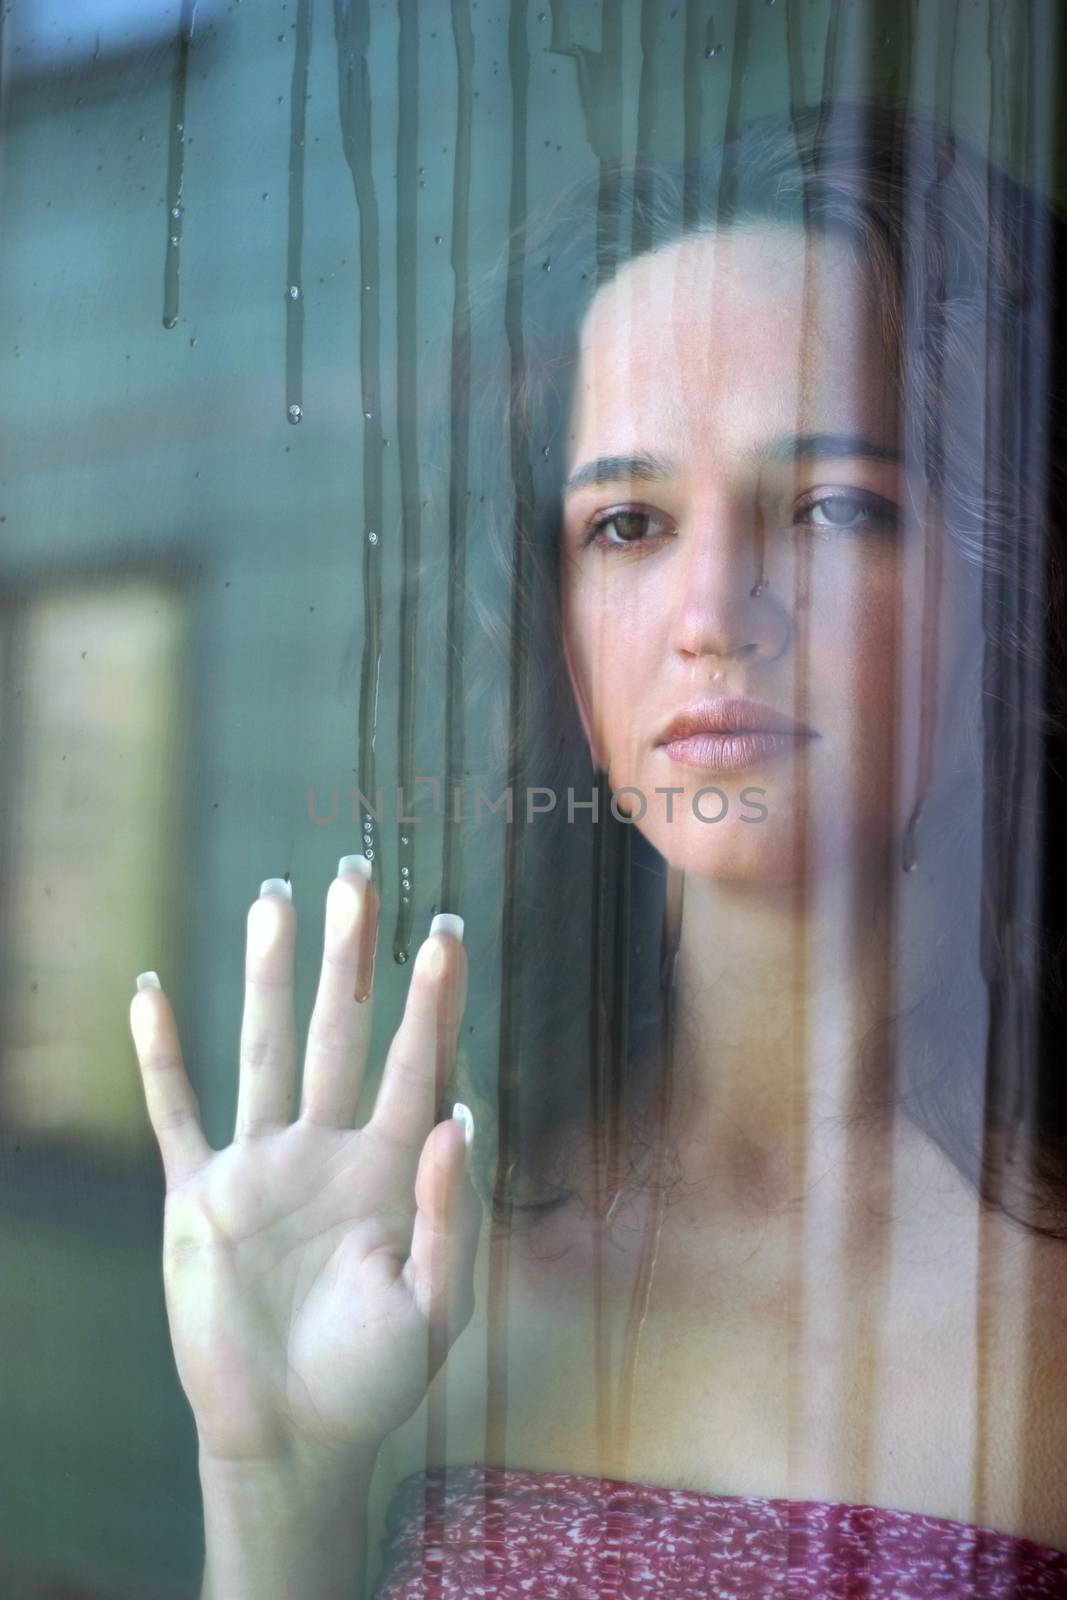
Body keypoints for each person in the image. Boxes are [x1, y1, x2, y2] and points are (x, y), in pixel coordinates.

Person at [129, 102, 1067, 1598]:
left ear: (1000, 579)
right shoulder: (418, 1255)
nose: (713, 610)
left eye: (832, 504)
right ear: (566, 653)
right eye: (627, 525)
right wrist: (271, 1480)